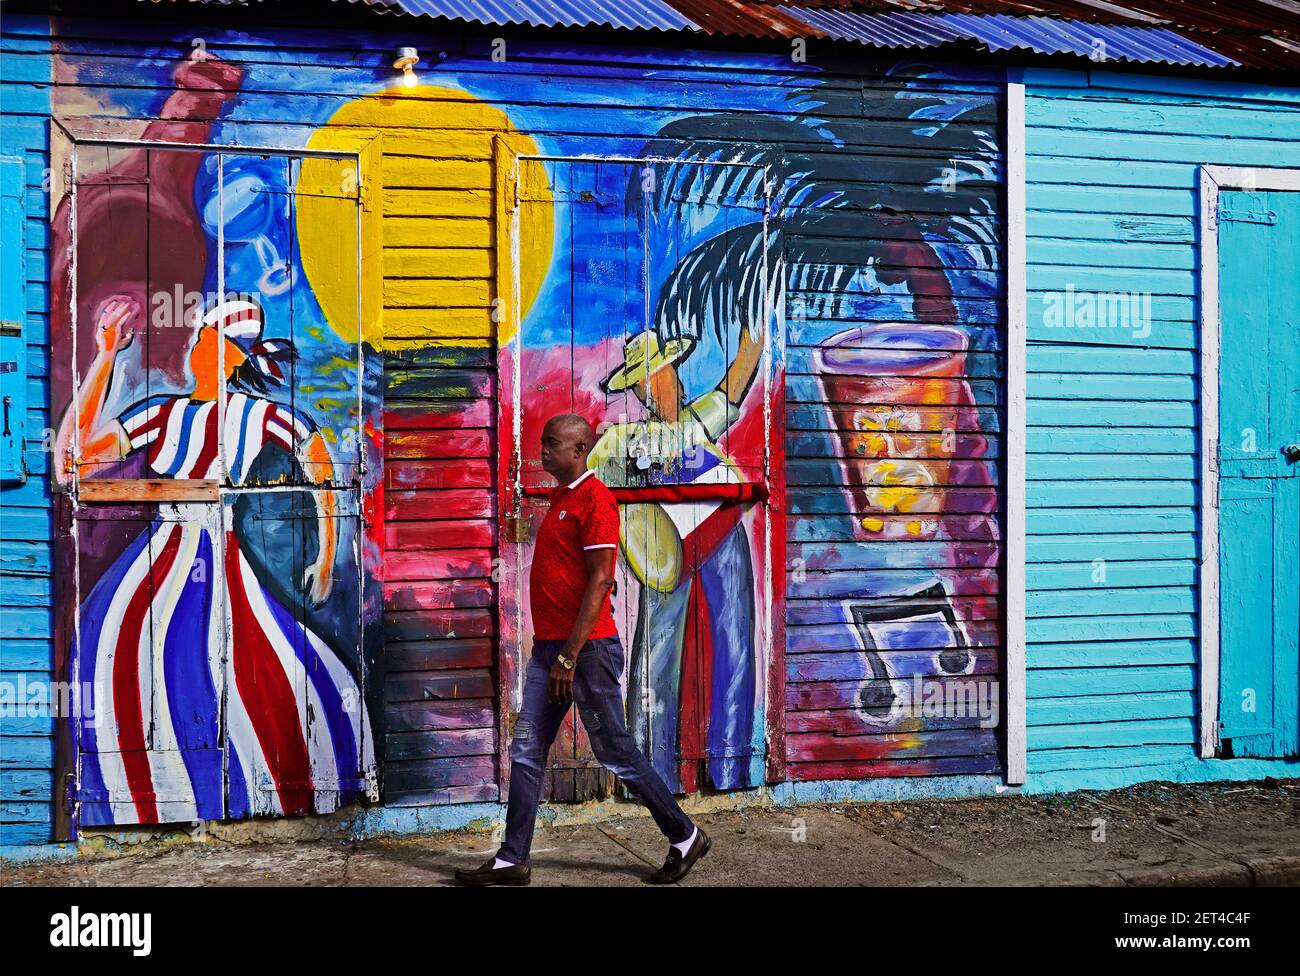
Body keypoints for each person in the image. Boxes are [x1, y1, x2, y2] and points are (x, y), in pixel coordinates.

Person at [57, 292, 374, 825]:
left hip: (202, 557)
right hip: (168, 558)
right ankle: (156, 793)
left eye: (205, 341)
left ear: (224, 352)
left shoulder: (256, 417)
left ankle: (237, 789)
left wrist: (324, 556)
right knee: (141, 665)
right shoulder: (165, 415)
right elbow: (71, 460)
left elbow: (323, 470)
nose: (193, 350)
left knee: (229, 669)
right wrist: (105, 357)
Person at [454, 414, 710, 886]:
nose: (543, 451)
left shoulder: (595, 501)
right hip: (554, 652)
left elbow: (600, 582)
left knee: (615, 752)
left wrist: (568, 657)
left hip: (586, 654)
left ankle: (685, 835)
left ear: (578, 451)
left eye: (552, 444)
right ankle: (513, 860)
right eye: (543, 443)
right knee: (527, 749)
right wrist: (554, 653)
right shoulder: (562, 499)